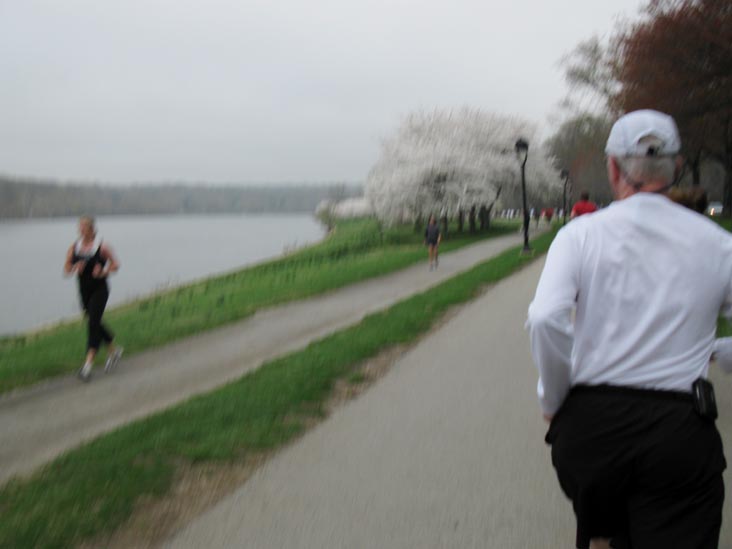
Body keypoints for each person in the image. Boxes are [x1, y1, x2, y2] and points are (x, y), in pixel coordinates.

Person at [526, 110, 730, 549]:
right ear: (677, 167)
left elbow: (545, 318)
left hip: (592, 429)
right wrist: (720, 350)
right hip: (678, 429)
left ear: (613, 168)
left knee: (603, 525)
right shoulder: (719, 245)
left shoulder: (580, 235)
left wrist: (554, 399)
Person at [64, 216, 123, 381]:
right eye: (79, 228)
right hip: (84, 291)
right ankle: (114, 351)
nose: (80, 230)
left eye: (83, 228)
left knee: (92, 324)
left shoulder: (102, 246)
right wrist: (75, 267)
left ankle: (87, 366)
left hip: (100, 289)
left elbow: (116, 264)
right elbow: (66, 268)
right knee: (94, 321)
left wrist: (103, 272)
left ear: (91, 229)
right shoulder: (74, 247)